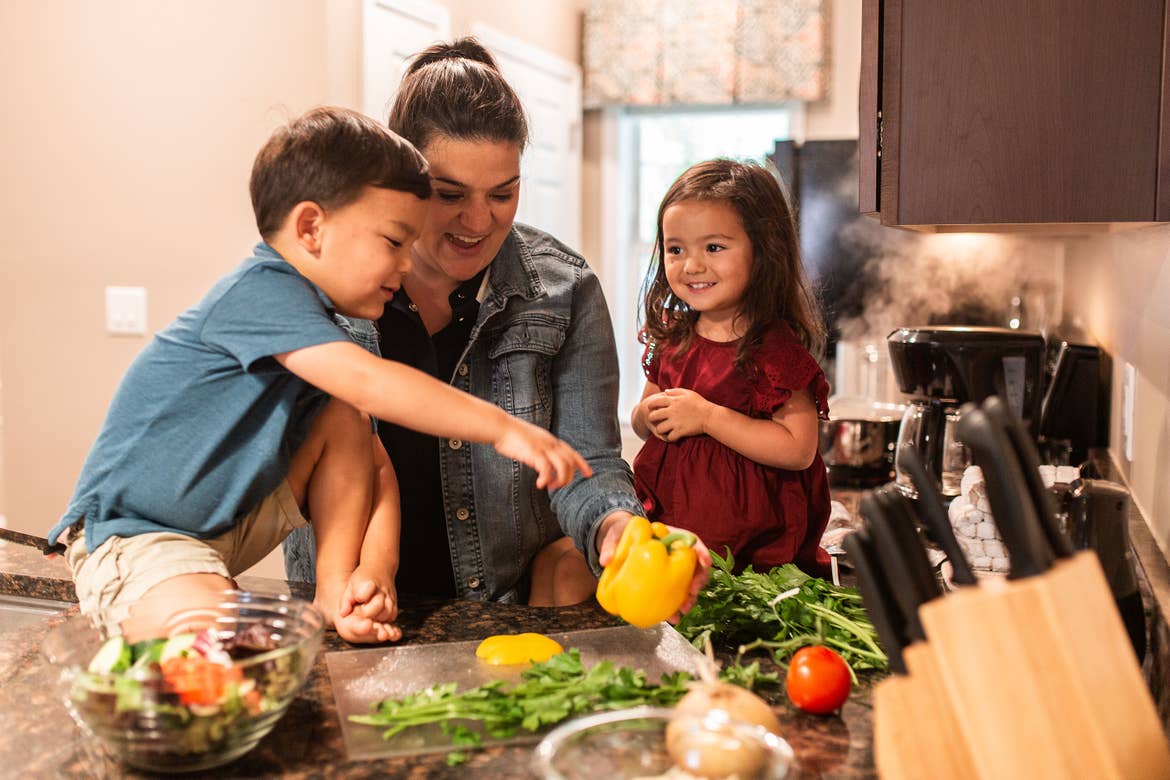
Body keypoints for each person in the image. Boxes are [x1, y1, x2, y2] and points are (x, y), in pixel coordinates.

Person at [46, 106, 591, 644]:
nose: (406, 265)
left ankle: (332, 595)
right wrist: (502, 428)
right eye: (394, 242)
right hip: (134, 537)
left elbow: (374, 469)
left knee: (345, 419)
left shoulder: (315, 330)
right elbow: (373, 381)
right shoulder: (261, 294)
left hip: (216, 535)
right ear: (311, 227)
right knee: (219, 647)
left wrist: (372, 573)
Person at [284, 38, 711, 610]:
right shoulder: (322, 282)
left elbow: (589, 463)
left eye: (502, 193)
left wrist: (617, 532)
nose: (479, 220)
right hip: (340, 609)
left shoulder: (565, 290)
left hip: (501, 615)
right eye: (450, 193)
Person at [631, 158, 832, 577]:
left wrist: (707, 417)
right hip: (674, 546)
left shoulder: (773, 351)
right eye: (675, 249)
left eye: (714, 247)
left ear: (763, 251)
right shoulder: (674, 337)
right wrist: (645, 415)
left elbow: (798, 449)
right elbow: (644, 419)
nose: (692, 266)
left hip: (755, 563)